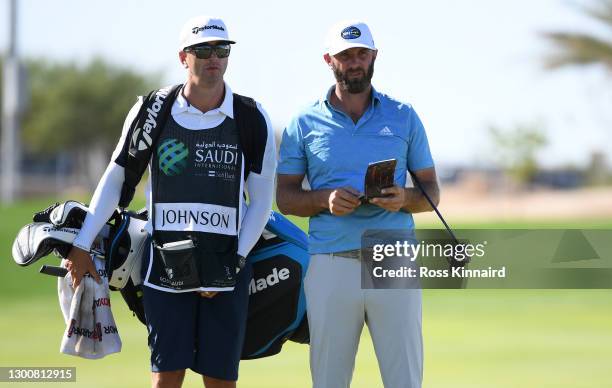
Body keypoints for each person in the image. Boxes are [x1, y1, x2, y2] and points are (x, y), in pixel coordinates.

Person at [65, 16, 276, 388]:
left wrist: (235, 261)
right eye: (203, 50)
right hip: (164, 263)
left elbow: (260, 201)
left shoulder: (251, 117)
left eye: (222, 49)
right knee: (166, 378)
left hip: (226, 263)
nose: (214, 57)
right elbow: (116, 177)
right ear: (184, 56)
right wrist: (83, 243)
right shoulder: (152, 110)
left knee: (220, 381)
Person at [276, 20, 439, 388]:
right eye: (345, 55)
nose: (354, 62)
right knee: (329, 381)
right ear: (328, 60)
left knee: (405, 381)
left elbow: (432, 191)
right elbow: (285, 197)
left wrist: (404, 198)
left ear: (374, 56)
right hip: (331, 263)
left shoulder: (403, 115)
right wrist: (324, 199)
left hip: (392, 258)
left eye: (361, 54)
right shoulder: (303, 121)